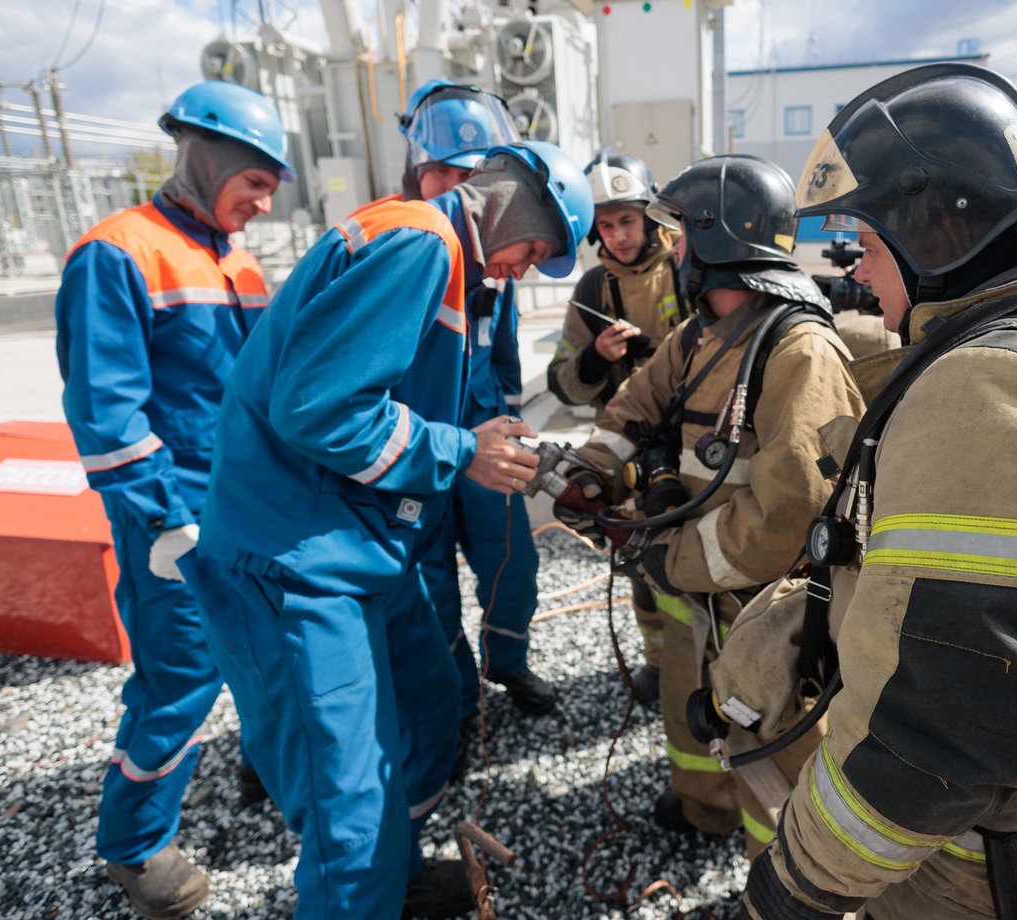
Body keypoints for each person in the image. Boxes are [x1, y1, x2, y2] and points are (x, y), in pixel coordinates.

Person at [733, 63, 1017, 919]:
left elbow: (944, 725)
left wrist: (798, 880)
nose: (863, 272)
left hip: (984, 853)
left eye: (871, 240)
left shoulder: (993, 391)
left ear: (935, 234)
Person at [180, 140, 592, 919]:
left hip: (353, 547)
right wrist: (463, 451)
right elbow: (320, 409)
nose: (526, 269)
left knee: (432, 704)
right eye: (535, 249)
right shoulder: (421, 243)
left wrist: (480, 437)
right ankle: (364, 885)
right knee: (351, 809)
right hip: (294, 562)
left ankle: (391, 880)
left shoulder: (454, 271)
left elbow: (405, 399)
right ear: (507, 203)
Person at [555, 155, 866, 854]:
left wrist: (670, 555)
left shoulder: (797, 352)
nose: (675, 251)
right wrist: (591, 472)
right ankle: (705, 808)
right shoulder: (699, 335)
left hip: (763, 612)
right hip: (697, 591)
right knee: (686, 704)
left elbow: (789, 518)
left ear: (718, 244)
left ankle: (779, 876)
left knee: (773, 751)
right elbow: (636, 405)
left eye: (683, 236)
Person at [54, 80, 293, 919]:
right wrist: (165, 518)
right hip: (174, 523)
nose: (263, 204)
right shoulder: (117, 253)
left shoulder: (239, 260)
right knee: (181, 677)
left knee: (265, 647)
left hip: (240, 509)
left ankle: (260, 764)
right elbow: (106, 414)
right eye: (256, 183)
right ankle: (134, 844)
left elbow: (257, 387)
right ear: (208, 156)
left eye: (270, 189)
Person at [394, 80, 558, 740]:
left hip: (486, 435)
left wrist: (512, 427)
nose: (462, 189)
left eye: (473, 174)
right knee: (429, 589)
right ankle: (457, 706)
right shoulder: (402, 248)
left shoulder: (497, 259)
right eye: (446, 173)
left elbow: (507, 355)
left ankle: (505, 662)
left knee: (512, 559)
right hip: (419, 448)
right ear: (418, 171)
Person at [546, 146, 689, 703]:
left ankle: (707, 655)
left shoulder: (686, 265)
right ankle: (658, 659)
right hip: (626, 447)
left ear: (650, 215)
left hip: (694, 441)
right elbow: (561, 381)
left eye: (627, 220)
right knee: (637, 559)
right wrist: (596, 357)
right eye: (605, 225)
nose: (618, 235)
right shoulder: (591, 291)